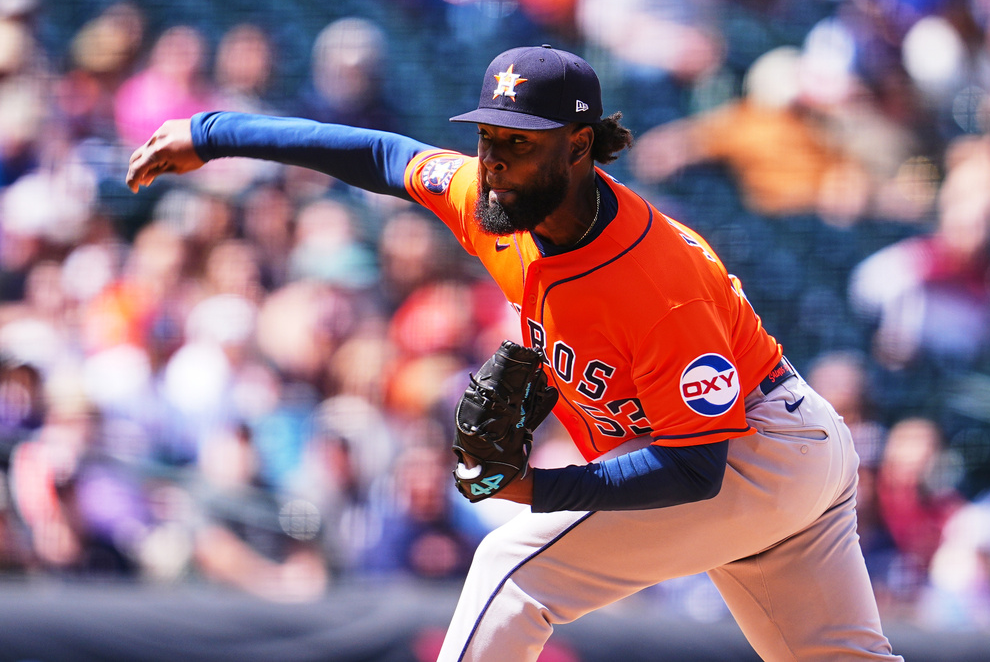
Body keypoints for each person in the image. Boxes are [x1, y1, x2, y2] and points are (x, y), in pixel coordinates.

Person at [126, 45, 901, 661]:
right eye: (488, 139)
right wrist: (213, 132)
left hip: (754, 452)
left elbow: (698, 466)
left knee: (511, 570)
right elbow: (381, 156)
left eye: (518, 145)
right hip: (771, 457)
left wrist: (537, 488)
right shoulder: (489, 203)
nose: (492, 161)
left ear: (580, 147)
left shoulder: (660, 281)